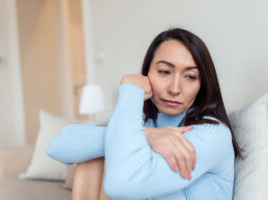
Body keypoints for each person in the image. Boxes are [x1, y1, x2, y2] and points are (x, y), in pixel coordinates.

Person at [47, 27, 243, 200]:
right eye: (165, 72)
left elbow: (121, 185)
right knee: (95, 157)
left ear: (202, 85)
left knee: (113, 149)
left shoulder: (212, 132)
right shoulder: (145, 123)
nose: (175, 89)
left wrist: (131, 91)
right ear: (147, 74)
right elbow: (57, 147)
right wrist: (148, 134)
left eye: (190, 77)